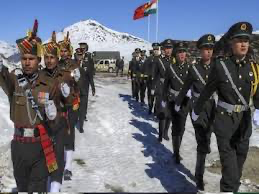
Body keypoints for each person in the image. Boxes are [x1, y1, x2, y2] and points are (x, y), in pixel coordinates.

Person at [192, 22, 259, 192]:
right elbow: (207, 91)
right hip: (224, 123)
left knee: (237, 169)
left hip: (244, 123)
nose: (243, 44)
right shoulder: (221, 66)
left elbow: (257, 95)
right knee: (230, 173)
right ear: (231, 42)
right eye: (239, 40)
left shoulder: (254, 68)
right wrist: (196, 110)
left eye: (246, 40)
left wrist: (258, 109)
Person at [0, 20, 60, 192]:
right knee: (23, 188)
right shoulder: (14, 81)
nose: (27, 62)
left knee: (38, 187)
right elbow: (2, 75)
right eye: (24, 59)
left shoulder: (49, 84)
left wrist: (53, 115)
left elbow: (57, 123)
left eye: (31, 59)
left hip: (40, 144)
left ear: (38, 60)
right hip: (18, 145)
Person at [175, 34, 216, 190]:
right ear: (200, 51)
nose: (208, 51)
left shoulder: (218, 67)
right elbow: (185, 87)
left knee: (207, 137)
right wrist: (178, 103)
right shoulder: (194, 69)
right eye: (206, 48)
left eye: (211, 48)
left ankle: (203, 156)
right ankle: (199, 176)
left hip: (212, 106)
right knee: (202, 140)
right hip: (197, 108)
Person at [41, 31, 74, 192]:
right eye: (46, 57)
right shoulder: (39, 75)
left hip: (59, 121)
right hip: (42, 123)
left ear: (56, 58)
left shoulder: (65, 76)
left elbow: (72, 99)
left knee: (58, 153)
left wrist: (68, 96)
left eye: (52, 57)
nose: (49, 60)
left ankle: (55, 187)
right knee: (45, 156)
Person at [162, 42, 191, 163]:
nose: (182, 54)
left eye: (183, 52)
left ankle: (177, 148)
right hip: (173, 101)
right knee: (175, 126)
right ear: (176, 54)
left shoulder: (190, 68)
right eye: (179, 52)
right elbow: (166, 85)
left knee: (182, 127)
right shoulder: (170, 68)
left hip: (185, 102)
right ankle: (176, 153)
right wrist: (164, 99)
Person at [58, 32, 81, 180]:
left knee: (69, 131)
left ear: (70, 51)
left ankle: (68, 166)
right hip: (58, 103)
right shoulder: (56, 64)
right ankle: (59, 160)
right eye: (62, 50)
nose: (63, 53)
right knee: (58, 131)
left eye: (66, 50)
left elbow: (78, 81)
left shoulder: (75, 65)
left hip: (71, 103)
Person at [152, 39, 172, 142]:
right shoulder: (159, 61)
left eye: (170, 48)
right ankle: (160, 134)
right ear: (163, 50)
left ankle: (165, 132)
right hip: (162, 89)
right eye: (166, 48)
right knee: (162, 114)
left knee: (170, 114)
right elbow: (155, 76)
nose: (168, 50)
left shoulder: (175, 61)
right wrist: (153, 88)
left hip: (172, 90)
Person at [75, 48, 95, 132]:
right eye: (78, 55)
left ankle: (81, 125)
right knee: (76, 107)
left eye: (80, 55)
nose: (79, 57)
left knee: (83, 107)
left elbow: (90, 76)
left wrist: (93, 88)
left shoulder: (87, 64)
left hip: (84, 89)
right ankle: (76, 119)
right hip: (75, 90)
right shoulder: (73, 64)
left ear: (83, 55)